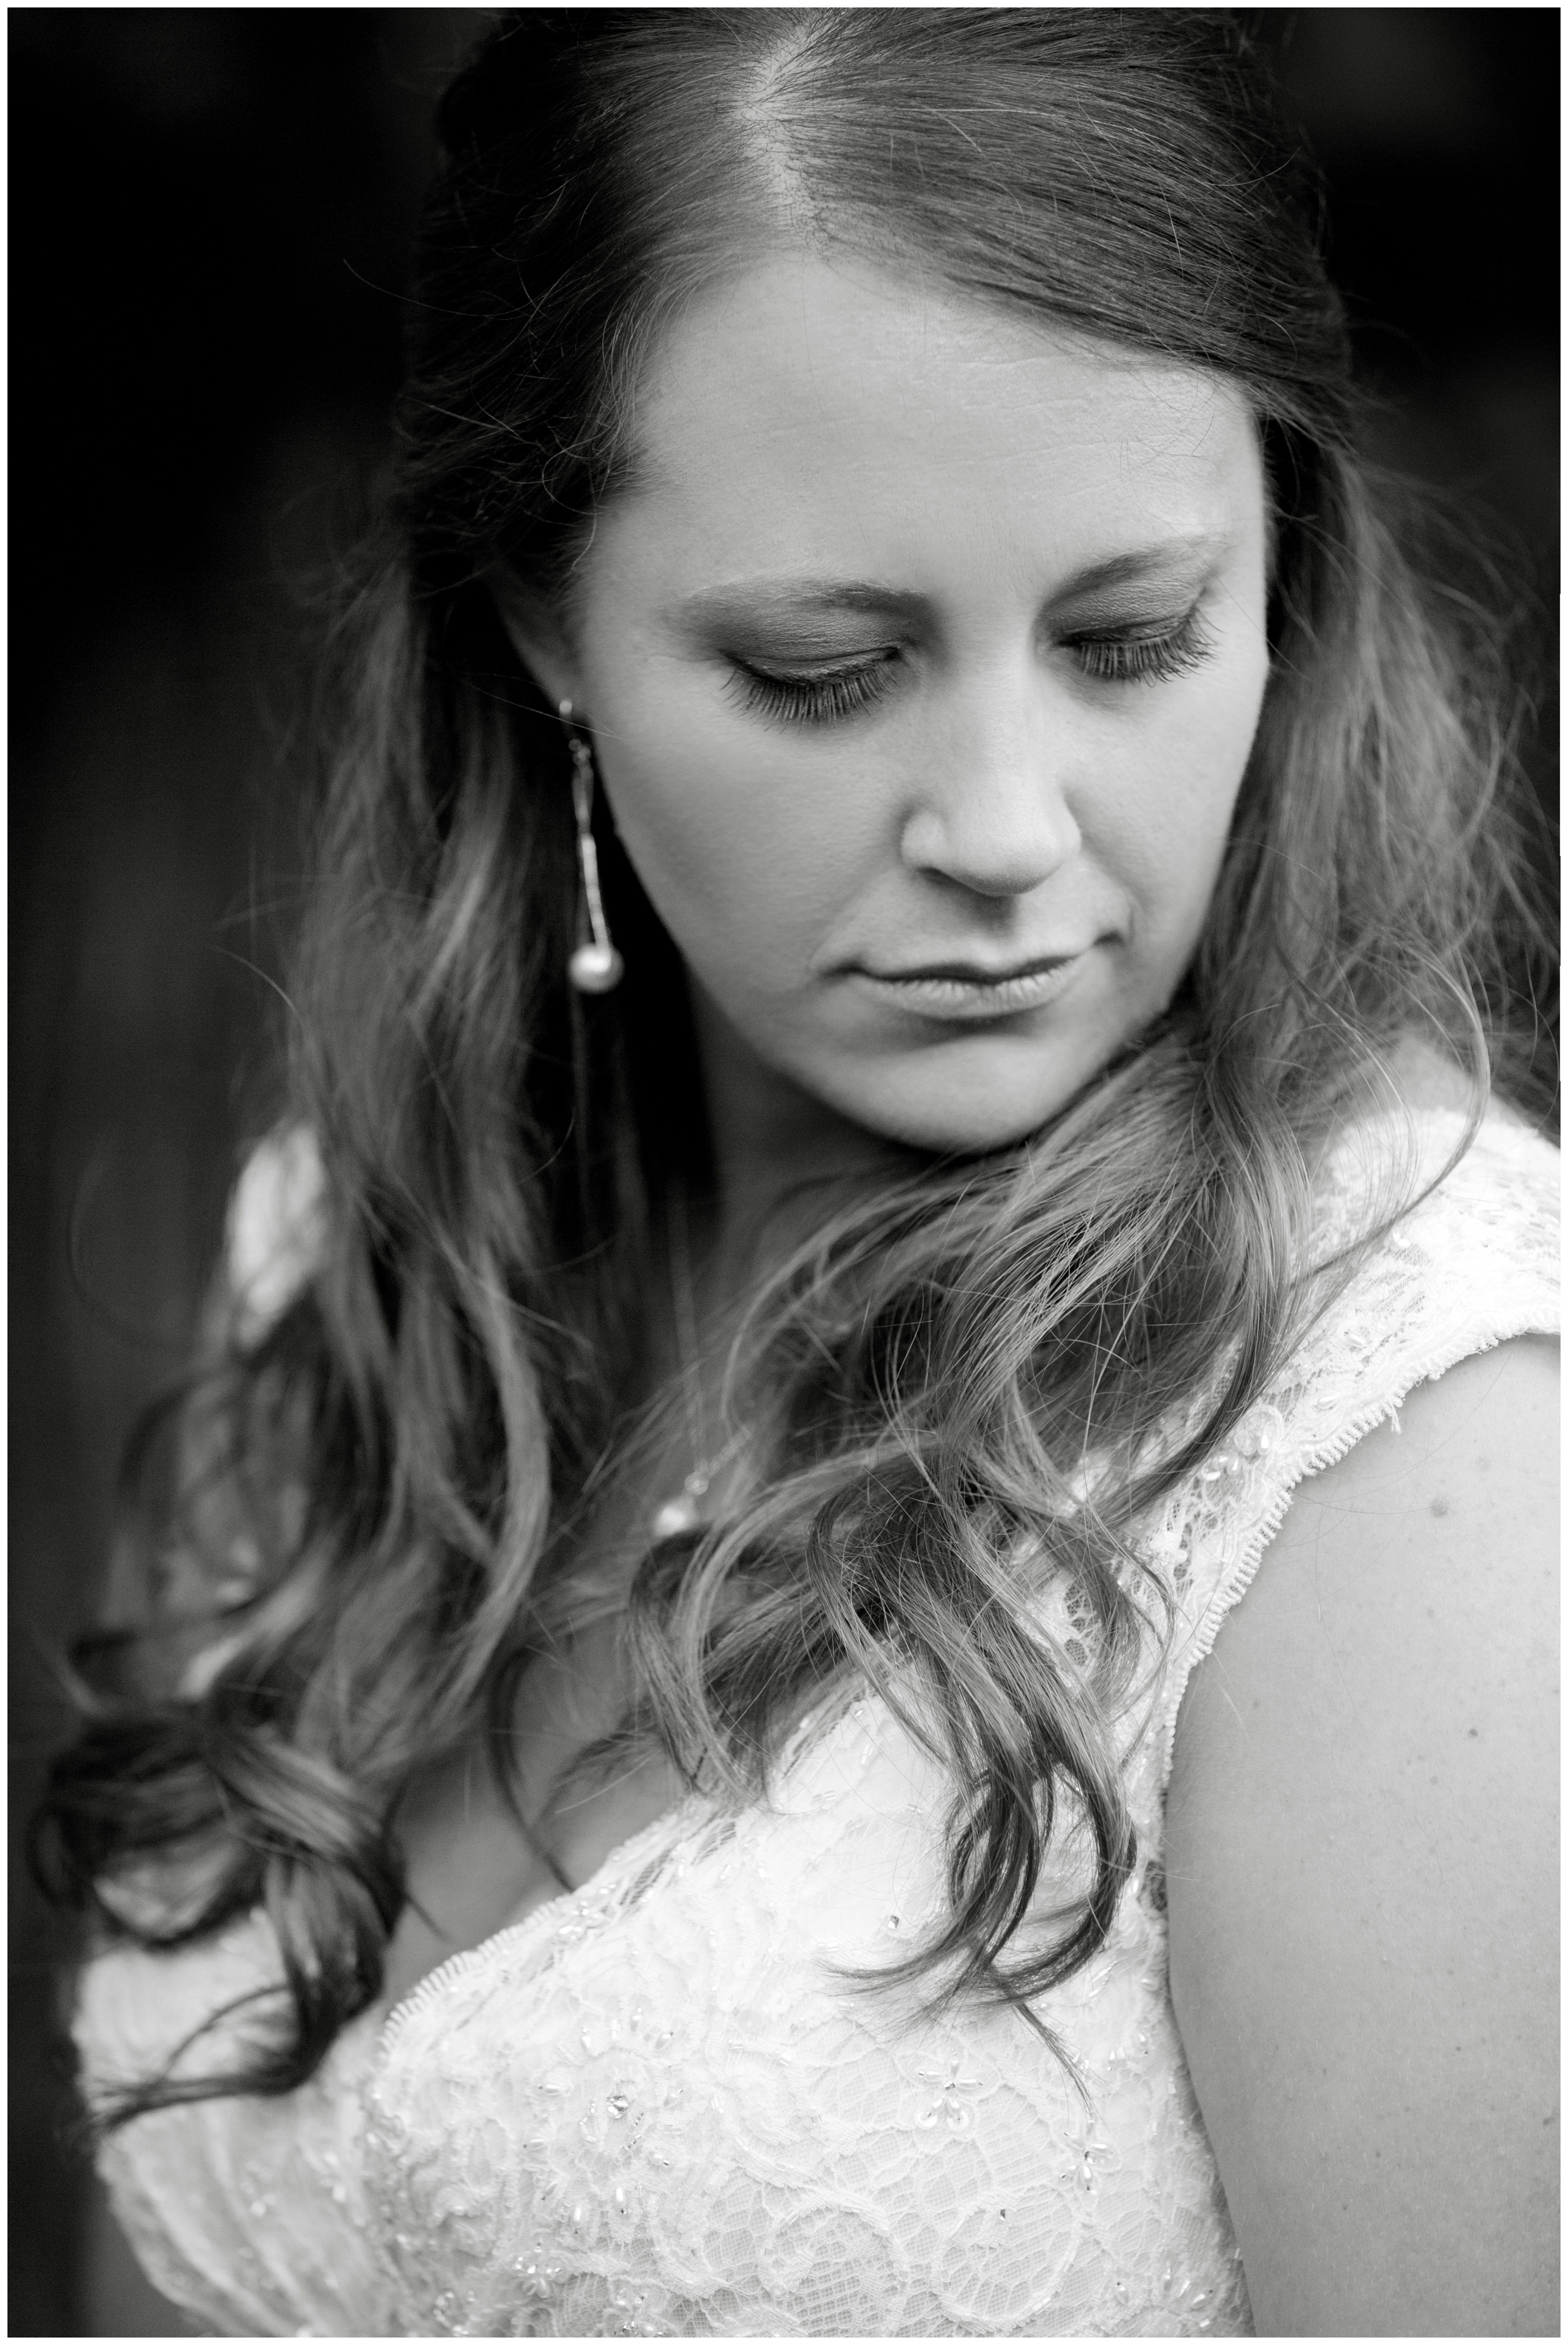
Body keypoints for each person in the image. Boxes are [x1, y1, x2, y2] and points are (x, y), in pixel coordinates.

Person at [39, 11, 1557, 2338]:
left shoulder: (1412, 1436)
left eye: (1131, 638)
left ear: (1286, 574)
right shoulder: (348, 1272)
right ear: (543, 613)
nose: (1010, 831)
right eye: (828, 669)